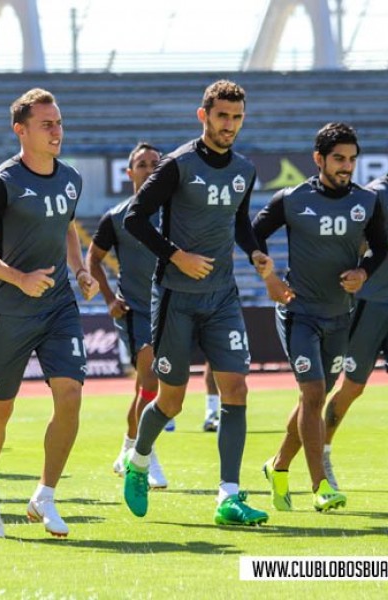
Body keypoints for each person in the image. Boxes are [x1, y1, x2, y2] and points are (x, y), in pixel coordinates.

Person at [123, 79, 273, 526]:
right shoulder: (177, 164)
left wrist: (255, 251)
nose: (229, 125)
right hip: (175, 297)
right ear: (203, 115)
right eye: (222, 116)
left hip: (222, 297)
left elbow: (241, 222)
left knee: (236, 390)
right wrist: (176, 256)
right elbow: (135, 218)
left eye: (237, 117)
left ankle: (229, 496)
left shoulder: (245, 169)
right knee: (171, 402)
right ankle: (137, 459)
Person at [0, 88, 99, 538]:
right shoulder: (2, 184)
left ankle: (45, 496)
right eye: (47, 124)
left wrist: (79, 271)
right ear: (21, 130)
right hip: (11, 311)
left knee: (71, 396)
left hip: (59, 305)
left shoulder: (72, 177)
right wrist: (17, 277)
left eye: (58, 122)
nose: (57, 131)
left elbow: (68, 229)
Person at [255, 122, 386, 512]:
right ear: (319, 159)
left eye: (351, 160)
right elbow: (252, 232)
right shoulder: (291, 198)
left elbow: (381, 247)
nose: (346, 167)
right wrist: (269, 276)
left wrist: (364, 271)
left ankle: (278, 467)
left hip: (340, 316)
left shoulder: (367, 201)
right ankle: (321, 485)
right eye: (338, 159)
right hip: (299, 312)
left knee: (312, 401)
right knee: (313, 394)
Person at [86, 142, 168, 488]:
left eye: (155, 164)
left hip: (170, 308)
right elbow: (92, 260)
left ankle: (128, 449)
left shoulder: (173, 213)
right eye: (142, 164)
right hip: (136, 311)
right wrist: (108, 299)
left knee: (147, 388)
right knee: (151, 383)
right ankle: (143, 457)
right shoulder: (116, 217)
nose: (149, 169)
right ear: (129, 172)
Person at [321, 168, 388, 490]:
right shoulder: (374, 195)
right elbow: (351, 242)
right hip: (370, 303)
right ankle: (320, 451)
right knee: (351, 387)